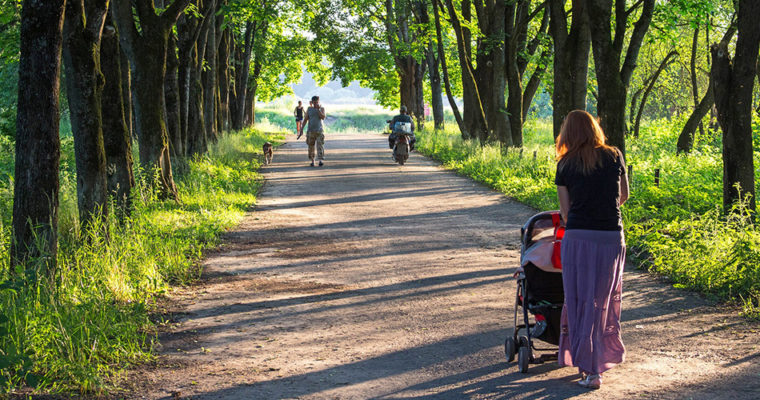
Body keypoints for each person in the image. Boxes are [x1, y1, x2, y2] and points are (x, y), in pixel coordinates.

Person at [554, 110, 629, 390]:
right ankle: (599, 360)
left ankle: (589, 369)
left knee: (580, 299)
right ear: (595, 128)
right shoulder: (614, 155)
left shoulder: (565, 164)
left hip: (579, 237)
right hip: (611, 237)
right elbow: (623, 196)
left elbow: (565, 211)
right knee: (604, 301)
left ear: (568, 133)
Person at [299, 95, 326, 166]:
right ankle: (312, 160)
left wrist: (318, 110)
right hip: (310, 130)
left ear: (318, 102)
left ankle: (320, 160)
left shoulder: (322, 109)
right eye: (314, 102)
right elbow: (305, 120)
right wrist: (301, 129)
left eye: (317, 102)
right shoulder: (309, 109)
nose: (315, 104)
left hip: (319, 130)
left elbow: (323, 117)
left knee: (320, 145)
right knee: (311, 146)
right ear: (312, 102)